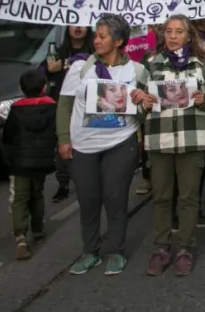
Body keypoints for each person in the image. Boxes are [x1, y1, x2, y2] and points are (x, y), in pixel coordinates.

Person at [57, 14, 148, 276]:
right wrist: (64, 139)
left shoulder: (137, 71)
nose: (95, 40)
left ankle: (116, 251)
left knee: (115, 197)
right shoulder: (80, 68)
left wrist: (143, 102)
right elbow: (64, 105)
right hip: (83, 146)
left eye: (102, 36)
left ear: (118, 41)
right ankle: (90, 251)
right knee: (88, 199)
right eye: (95, 35)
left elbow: (142, 113)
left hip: (121, 142)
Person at [137, 14, 205, 277]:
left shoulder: (203, 63)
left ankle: (184, 247)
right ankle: (162, 247)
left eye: (179, 31)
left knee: (188, 197)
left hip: (192, 139)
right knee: (161, 197)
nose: (173, 36)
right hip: (159, 141)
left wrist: (203, 101)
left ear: (188, 35)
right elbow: (137, 106)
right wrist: (144, 104)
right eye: (169, 31)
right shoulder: (150, 64)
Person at [2, 70, 57, 260]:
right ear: (44, 87)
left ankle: (20, 237)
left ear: (21, 88)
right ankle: (38, 230)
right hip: (42, 161)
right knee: (37, 194)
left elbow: (8, 135)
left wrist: (8, 157)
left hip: (20, 161)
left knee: (19, 198)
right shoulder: (52, 107)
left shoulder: (17, 110)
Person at [42, 26, 94, 203]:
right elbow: (41, 73)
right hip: (63, 103)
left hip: (88, 104)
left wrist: (68, 64)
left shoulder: (95, 50)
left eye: (82, 25)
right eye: (74, 24)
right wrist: (51, 69)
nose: (78, 28)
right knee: (62, 142)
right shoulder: (58, 51)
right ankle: (63, 184)